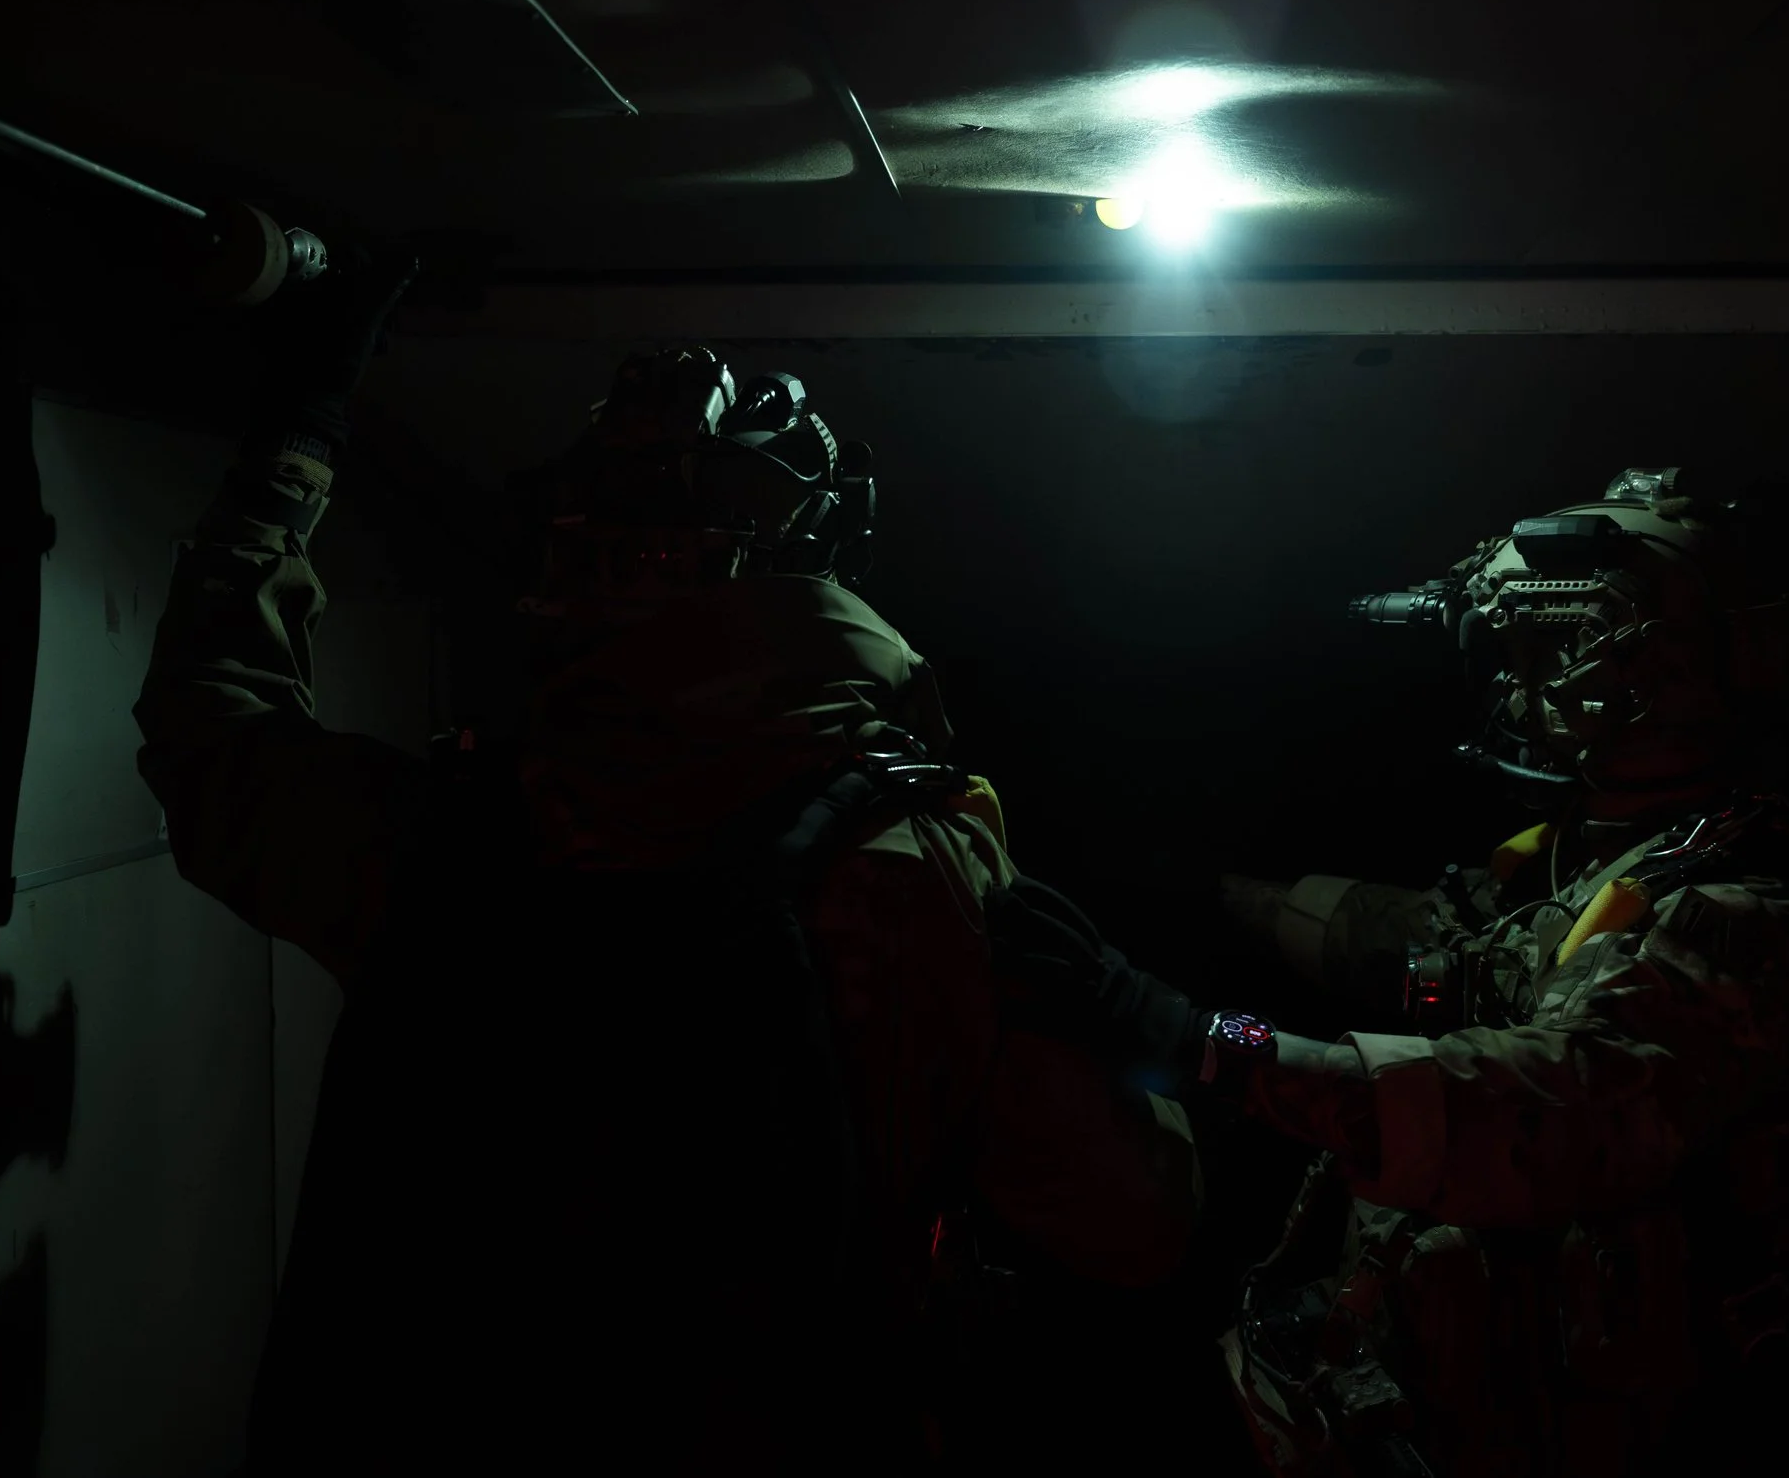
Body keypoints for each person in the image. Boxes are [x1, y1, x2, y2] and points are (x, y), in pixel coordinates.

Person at [132, 258, 1199, 1474]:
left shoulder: (451, 835)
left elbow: (210, 733)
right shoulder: (919, 869)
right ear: (815, 560)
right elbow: (1136, 1218)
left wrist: (298, 433)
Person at [989, 468, 1789, 1478]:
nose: (1507, 687)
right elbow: (1442, 945)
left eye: (1533, 658)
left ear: (1626, 678)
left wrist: (1182, 1032)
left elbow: (1531, 1106)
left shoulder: (1758, 917)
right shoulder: (1624, 859)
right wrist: (1210, 892)